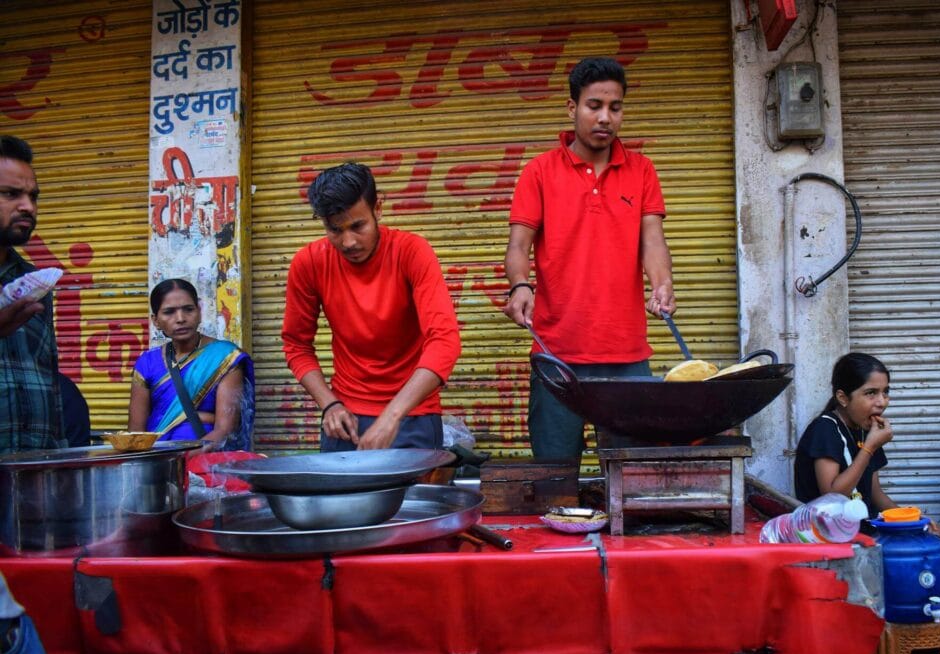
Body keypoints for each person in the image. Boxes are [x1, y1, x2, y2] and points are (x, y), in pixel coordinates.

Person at [503, 56, 674, 463]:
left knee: (630, 475)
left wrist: (662, 283)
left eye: (615, 107)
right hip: (556, 352)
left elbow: (652, 239)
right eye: (593, 105)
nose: (605, 117)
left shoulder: (642, 170)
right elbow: (517, 245)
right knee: (555, 473)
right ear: (572, 108)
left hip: (627, 354)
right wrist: (520, 286)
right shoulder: (539, 172)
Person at [282, 163, 460, 452]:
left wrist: (391, 417)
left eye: (357, 226)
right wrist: (329, 404)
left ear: (378, 208)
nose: (348, 242)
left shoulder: (412, 252)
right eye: (334, 230)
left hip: (412, 414)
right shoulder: (309, 263)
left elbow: (445, 341)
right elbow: (296, 344)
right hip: (346, 418)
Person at [794, 352, 940, 594]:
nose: (882, 402)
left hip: (870, 526)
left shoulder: (863, 428)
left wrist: (913, 522)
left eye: (885, 392)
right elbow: (832, 495)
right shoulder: (825, 429)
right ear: (842, 397)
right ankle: (905, 628)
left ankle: (935, 625)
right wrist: (869, 447)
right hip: (837, 534)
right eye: (871, 393)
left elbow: (876, 494)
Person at [128, 279, 254, 450]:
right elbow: (136, 434)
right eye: (169, 312)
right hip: (155, 462)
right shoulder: (147, 363)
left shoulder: (225, 357)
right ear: (155, 320)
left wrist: (179, 461)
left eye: (188, 310)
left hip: (206, 465)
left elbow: (224, 431)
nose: (180, 319)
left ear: (199, 312)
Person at [0, 134, 65, 455]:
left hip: (31, 477)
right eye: (11, 194)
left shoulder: (33, 282)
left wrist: (59, 457)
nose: (28, 206)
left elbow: (50, 383)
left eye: (33, 196)